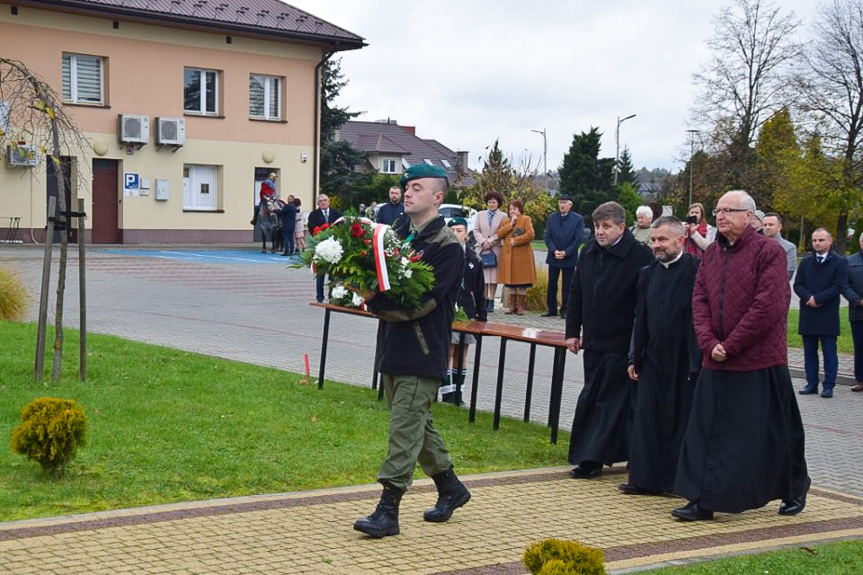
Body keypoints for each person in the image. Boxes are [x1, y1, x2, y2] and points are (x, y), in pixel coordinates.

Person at [673, 190, 809, 522]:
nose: (720, 216)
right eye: (718, 210)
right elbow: (699, 299)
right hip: (715, 358)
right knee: (706, 431)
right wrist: (709, 342)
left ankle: (794, 486)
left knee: (772, 432)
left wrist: (730, 345)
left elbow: (770, 306)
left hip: (758, 359)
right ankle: (702, 499)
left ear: (749, 217)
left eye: (728, 211)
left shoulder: (768, 252)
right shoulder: (713, 254)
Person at [352, 164, 470, 539]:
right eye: (406, 186)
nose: (407, 192)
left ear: (438, 197)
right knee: (417, 424)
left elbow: (424, 301)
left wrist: (376, 302)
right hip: (393, 346)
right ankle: (451, 488)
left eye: (416, 187)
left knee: (403, 430)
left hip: (422, 352)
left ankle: (388, 511)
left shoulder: (446, 247)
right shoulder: (398, 234)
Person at [564, 201, 653, 479]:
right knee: (593, 396)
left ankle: (592, 457)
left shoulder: (640, 256)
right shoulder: (588, 252)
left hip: (622, 342)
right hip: (593, 340)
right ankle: (600, 452)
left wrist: (637, 345)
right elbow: (576, 293)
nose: (600, 232)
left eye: (606, 227)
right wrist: (572, 331)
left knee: (610, 401)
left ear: (621, 227)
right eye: (597, 226)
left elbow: (644, 304)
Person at [622, 216, 700, 496]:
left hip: (684, 359)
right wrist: (634, 356)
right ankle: (644, 479)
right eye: (654, 239)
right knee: (648, 418)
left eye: (663, 240)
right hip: (652, 357)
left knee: (681, 419)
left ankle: (676, 481)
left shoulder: (696, 270)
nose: (657, 245)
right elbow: (638, 318)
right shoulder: (647, 272)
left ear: (681, 240)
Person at [794, 228, 849, 399]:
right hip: (808, 313)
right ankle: (811, 383)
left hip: (827, 313)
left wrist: (818, 298)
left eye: (821, 240)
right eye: (815, 240)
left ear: (830, 241)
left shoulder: (839, 262)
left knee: (829, 353)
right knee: (809, 352)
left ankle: (829, 386)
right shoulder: (806, 262)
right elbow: (798, 284)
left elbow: (839, 285)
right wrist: (808, 297)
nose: (817, 243)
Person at [440, 216, 487, 406]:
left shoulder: (473, 259)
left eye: (459, 230)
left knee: (462, 353)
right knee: (447, 351)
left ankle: (459, 393)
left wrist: (481, 316)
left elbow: (479, 289)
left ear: (466, 235)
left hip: (466, 312)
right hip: (448, 311)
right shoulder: (443, 256)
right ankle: (446, 392)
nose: (455, 234)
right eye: (451, 230)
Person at [542, 194, 584, 319]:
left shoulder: (577, 219)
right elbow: (547, 236)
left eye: (564, 202)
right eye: (560, 202)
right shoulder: (552, 218)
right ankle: (551, 308)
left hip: (569, 257)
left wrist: (566, 252)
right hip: (553, 255)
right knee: (552, 283)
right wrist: (554, 250)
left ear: (570, 205)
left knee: (568, 284)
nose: (562, 205)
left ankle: (565, 309)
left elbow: (578, 239)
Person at [496, 199, 535, 315]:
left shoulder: (526, 219)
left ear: (520, 210)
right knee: (511, 282)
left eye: (515, 209)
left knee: (522, 283)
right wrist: (510, 224)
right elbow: (499, 234)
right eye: (510, 209)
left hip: (522, 256)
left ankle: (520, 307)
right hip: (509, 256)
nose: (512, 211)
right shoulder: (506, 221)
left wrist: (516, 241)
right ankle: (511, 306)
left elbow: (530, 234)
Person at [472, 191, 507, 313]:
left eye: (494, 202)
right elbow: (476, 230)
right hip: (481, 249)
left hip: (495, 248)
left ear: (498, 203)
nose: (491, 204)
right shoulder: (481, 214)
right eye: (489, 202)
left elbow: (502, 232)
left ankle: (491, 300)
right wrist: (483, 241)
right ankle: (484, 299)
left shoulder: (503, 216)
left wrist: (490, 241)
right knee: (482, 276)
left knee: (493, 277)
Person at [307, 194, 342, 303]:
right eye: (321, 201)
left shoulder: (337, 213)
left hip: (334, 247)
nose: (323, 202)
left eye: (325, 200)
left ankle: (332, 296)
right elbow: (311, 228)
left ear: (329, 202)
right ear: (318, 203)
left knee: (333, 274)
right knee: (320, 273)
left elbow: (342, 226)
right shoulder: (314, 215)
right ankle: (320, 297)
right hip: (321, 248)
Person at [843, 232, 863, 392]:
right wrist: (858, 300)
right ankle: (861, 379)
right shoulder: (850, 262)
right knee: (860, 347)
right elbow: (845, 285)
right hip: (858, 312)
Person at [762, 212, 797, 281]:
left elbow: (788, 274)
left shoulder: (789, 247)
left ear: (779, 227)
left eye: (771, 224)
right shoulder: (755, 246)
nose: (767, 227)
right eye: (765, 225)